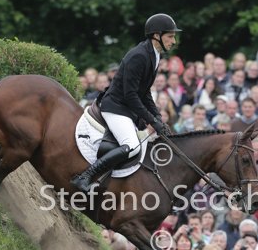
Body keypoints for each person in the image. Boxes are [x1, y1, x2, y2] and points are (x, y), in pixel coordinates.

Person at [71, 14, 178, 192]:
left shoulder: (154, 55)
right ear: (156, 35)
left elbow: (145, 92)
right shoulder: (139, 56)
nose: (173, 41)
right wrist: (152, 120)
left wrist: (157, 117)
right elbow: (130, 95)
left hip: (126, 109)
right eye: (170, 36)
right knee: (132, 146)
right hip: (115, 107)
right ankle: (85, 176)